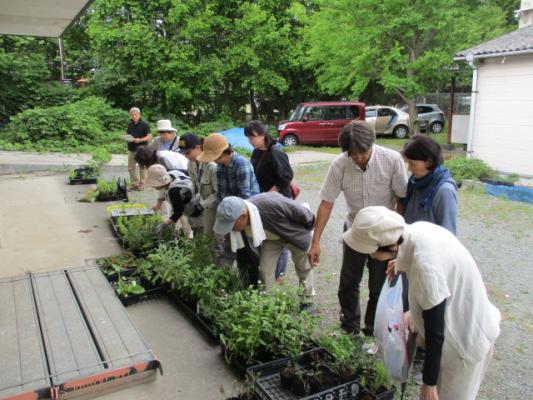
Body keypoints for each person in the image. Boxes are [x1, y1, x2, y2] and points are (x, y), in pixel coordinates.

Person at [342, 206, 501, 400]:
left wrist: (429, 383)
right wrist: (399, 263)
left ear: (391, 247)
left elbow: (436, 332)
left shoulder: (425, 267)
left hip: (464, 346)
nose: (370, 258)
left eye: (371, 253)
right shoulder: (415, 231)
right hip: (458, 325)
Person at [307, 120, 407, 336]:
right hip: (355, 231)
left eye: (363, 152)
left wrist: (398, 240)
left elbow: (401, 200)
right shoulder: (340, 164)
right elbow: (326, 203)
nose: (359, 158)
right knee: (348, 283)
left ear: (372, 143)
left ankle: (373, 329)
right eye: (353, 154)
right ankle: (349, 327)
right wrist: (315, 242)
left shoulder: (391, 160)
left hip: (384, 233)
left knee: (379, 286)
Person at [214, 193, 315, 308]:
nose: (231, 228)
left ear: (243, 216)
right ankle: (267, 302)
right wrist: (220, 277)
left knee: (304, 267)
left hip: (295, 234)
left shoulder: (270, 205)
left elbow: (304, 213)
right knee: (265, 269)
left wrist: (313, 237)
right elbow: (226, 251)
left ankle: (306, 301)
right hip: (271, 238)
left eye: (232, 224)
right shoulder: (236, 220)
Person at [197, 133, 260, 279]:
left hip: (247, 213)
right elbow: (221, 196)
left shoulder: (241, 163)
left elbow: (245, 196)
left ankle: (253, 282)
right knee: (229, 249)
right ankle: (228, 279)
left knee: (249, 250)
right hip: (231, 212)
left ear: (222, 153)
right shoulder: (220, 168)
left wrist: (234, 220)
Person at [245, 120, 293, 282]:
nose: (250, 141)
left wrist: (269, 195)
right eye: (248, 138)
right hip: (262, 200)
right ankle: (268, 270)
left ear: (262, 134)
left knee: (280, 237)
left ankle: (279, 275)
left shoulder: (276, 153)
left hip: (279, 200)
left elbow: (286, 177)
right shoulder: (256, 152)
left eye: (252, 137)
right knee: (266, 237)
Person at [401, 135, 457, 234]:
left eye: (412, 163)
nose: (409, 168)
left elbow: (449, 233)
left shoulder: (444, 191)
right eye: (407, 163)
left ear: (429, 162)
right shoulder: (415, 181)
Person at [179, 133, 218, 238]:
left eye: (187, 153)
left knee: (212, 238)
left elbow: (219, 193)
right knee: (199, 235)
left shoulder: (212, 165)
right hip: (200, 204)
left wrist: (202, 205)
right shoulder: (191, 163)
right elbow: (194, 182)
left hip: (215, 208)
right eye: (183, 153)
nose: (185, 156)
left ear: (198, 148)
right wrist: (188, 189)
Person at [144, 164, 195, 237]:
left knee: (186, 222)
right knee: (173, 219)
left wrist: (163, 225)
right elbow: (163, 188)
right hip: (181, 198)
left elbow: (178, 213)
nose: (153, 186)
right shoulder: (170, 174)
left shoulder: (174, 191)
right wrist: (158, 204)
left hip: (191, 203)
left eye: (154, 184)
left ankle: (187, 238)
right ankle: (176, 234)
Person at [126, 107, 152, 190]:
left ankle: (142, 184)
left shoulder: (145, 124)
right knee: (131, 168)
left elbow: (149, 137)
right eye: (132, 115)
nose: (134, 116)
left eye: (135, 115)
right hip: (131, 148)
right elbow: (128, 134)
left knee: (143, 167)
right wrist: (127, 139)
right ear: (130, 115)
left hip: (142, 149)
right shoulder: (129, 124)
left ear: (139, 115)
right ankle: (134, 183)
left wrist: (140, 140)